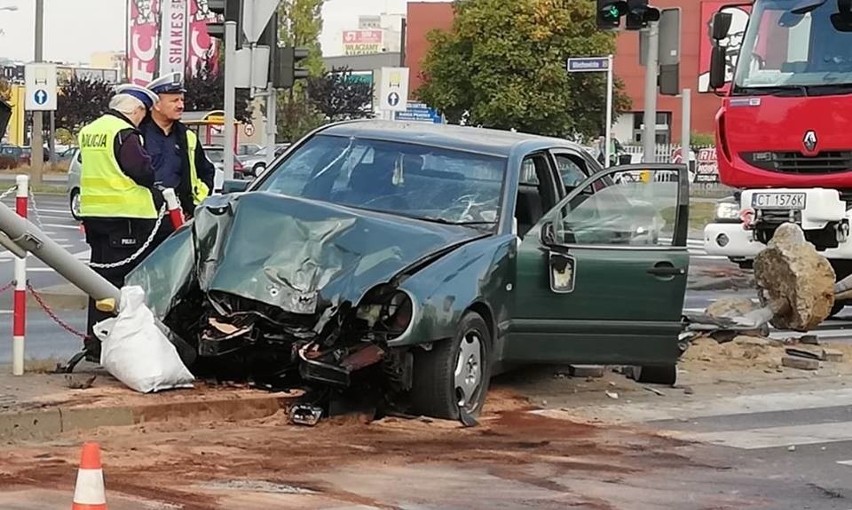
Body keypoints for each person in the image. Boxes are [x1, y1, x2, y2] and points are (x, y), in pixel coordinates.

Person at [77, 83, 162, 363]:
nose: (143, 118)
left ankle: (95, 341)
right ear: (135, 109)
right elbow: (142, 170)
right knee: (125, 284)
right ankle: (120, 347)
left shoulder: (91, 131)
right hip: (127, 217)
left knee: (97, 281)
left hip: (95, 216)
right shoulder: (124, 133)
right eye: (143, 113)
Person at [140, 72, 215, 225]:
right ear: (156, 104)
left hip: (180, 219)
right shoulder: (138, 135)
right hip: (145, 219)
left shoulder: (187, 136)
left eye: (182, 100)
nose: (181, 105)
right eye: (174, 100)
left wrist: (194, 203)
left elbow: (206, 171)